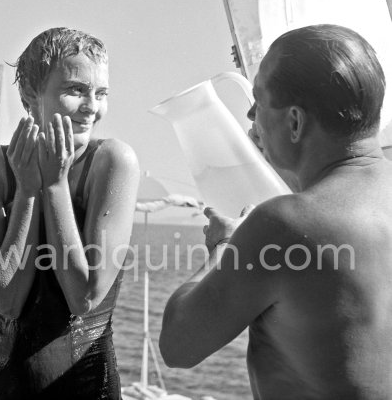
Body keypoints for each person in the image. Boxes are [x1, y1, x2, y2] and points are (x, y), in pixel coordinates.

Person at [159, 24, 392, 399]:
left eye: (259, 101)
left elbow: (178, 345)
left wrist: (224, 245)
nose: (252, 115)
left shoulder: (285, 225)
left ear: (295, 121)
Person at [0, 27, 139, 399]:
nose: (92, 107)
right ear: (30, 93)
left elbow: (84, 297)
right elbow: (6, 301)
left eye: (101, 93)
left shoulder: (112, 162)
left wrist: (54, 185)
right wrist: (28, 190)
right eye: (76, 90)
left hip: (85, 384)